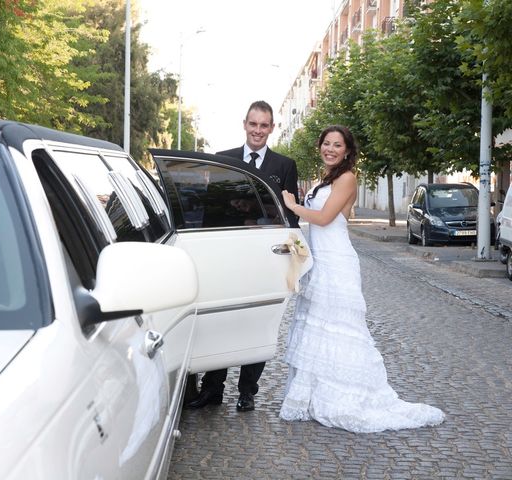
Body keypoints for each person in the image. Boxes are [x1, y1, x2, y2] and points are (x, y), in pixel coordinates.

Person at [279, 125, 445, 432]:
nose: (329, 148)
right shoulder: (326, 178)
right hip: (320, 261)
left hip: (338, 262)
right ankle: (314, 396)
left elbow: (325, 218)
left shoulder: (348, 177)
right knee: (319, 327)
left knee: (341, 328)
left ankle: (345, 395)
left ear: (347, 151)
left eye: (336, 145)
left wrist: (293, 205)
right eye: (326, 143)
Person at [186, 100, 300, 413]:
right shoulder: (223, 160)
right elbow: (210, 211)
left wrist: (261, 224)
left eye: (264, 125)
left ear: (272, 128)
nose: (258, 131)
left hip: (265, 259)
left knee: (257, 323)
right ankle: (212, 389)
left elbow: (290, 218)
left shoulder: (284, 166)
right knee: (221, 321)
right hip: (226, 256)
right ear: (245, 124)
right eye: (254, 124)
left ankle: (248, 391)